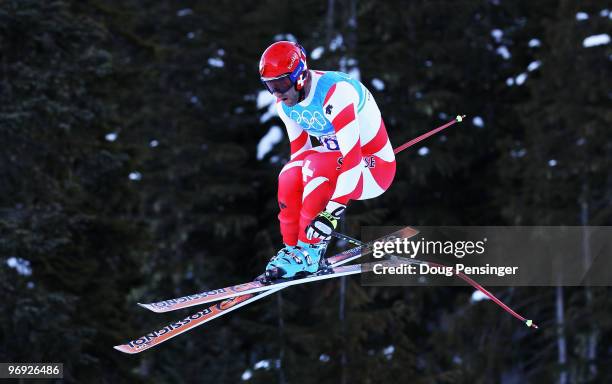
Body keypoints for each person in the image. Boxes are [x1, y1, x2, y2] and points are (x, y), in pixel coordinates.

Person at [259, 40, 396, 279]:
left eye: (281, 83)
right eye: (270, 86)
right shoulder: (286, 105)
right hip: (338, 166)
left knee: (318, 164)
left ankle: (310, 251)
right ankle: (292, 250)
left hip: (374, 168)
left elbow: (352, 158)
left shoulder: (336, 93)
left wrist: (331, 212)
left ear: (300, 75)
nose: (278, 94)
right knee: (289, 173)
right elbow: (300, 156)